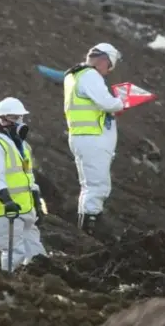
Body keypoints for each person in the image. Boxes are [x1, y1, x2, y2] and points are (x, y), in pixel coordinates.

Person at [63, 43, 125, 239]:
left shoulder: (74, 75)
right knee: (97, 186)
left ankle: (87, 228)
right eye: (110, 67)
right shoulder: (90, 75)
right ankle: (90, 231)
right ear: (105, 60)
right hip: (91, 139)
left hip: (83, 137)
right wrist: (121, 102)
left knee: (89, 186)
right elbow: (107, 102)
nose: (108, 73)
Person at [0, 97, 47, 271]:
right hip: (7, 212)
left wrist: (36, 203)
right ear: (2, 119)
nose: (19, 122)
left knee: (38, 256)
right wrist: (7, 201)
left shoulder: (23, 146)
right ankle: (8, 286)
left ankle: (36, 289)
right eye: (14, 118)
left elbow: (28, 177)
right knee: (14, 254)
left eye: (20, 117)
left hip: (26, 211)